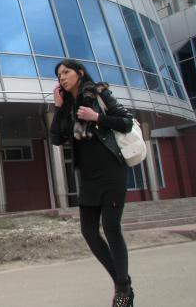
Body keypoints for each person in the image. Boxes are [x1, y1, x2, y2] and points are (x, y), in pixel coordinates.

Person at [49, 59, 135, 307]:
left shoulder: (99, 93)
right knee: (88, 231)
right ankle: (122, 282)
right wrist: (58, 108)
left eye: (66, 72)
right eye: (58, 75)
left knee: (111, 227)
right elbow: (56, 139)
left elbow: (126, 122)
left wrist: (97, 116)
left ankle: (122, 290)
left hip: (111, 171)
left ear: (80, 72)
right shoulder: (66, 105)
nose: (62, 77)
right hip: (87, 176)